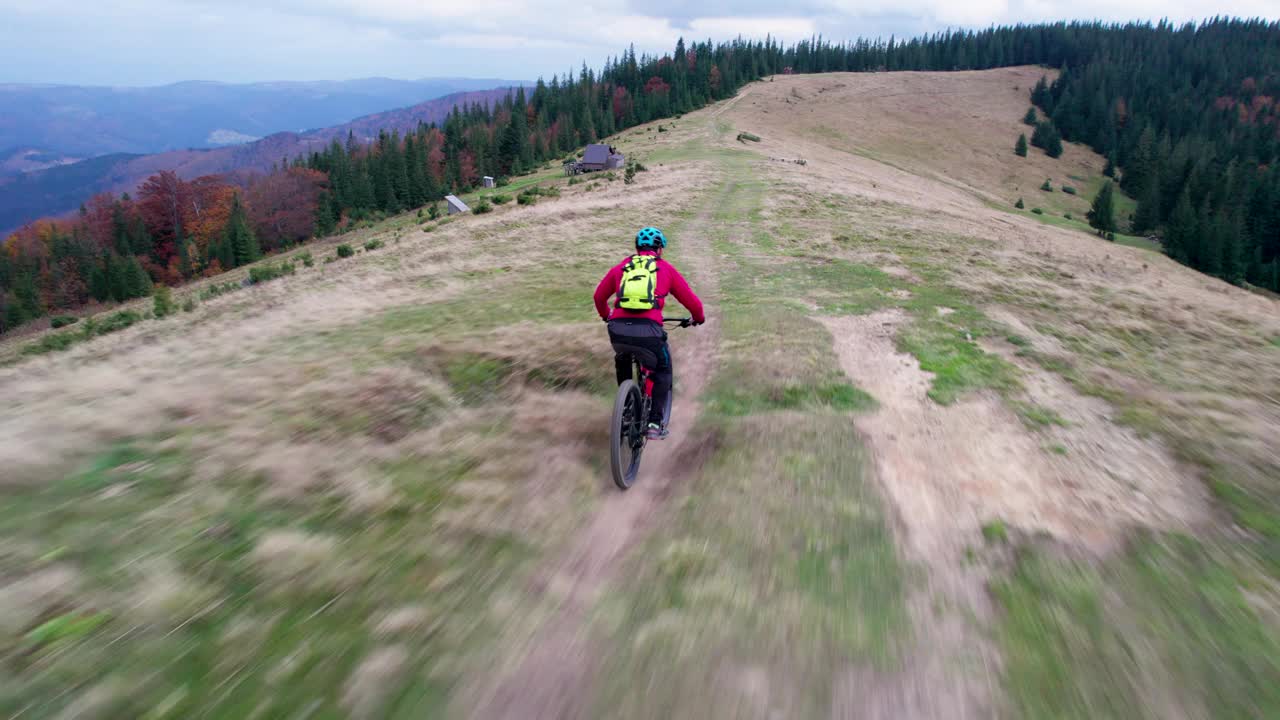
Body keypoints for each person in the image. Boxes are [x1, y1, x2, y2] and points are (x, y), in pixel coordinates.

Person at [593, 226, 705, 439]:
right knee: (663, 370)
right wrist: (697, 319)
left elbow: (599, 297)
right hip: (650, 331)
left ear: (637, 248)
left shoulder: (621, 268)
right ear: (660, 249)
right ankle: (654, 423)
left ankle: (625, 408)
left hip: (617, 329)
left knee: (623, 355)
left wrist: (607, 315)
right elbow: (693, 303)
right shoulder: (666, 269)